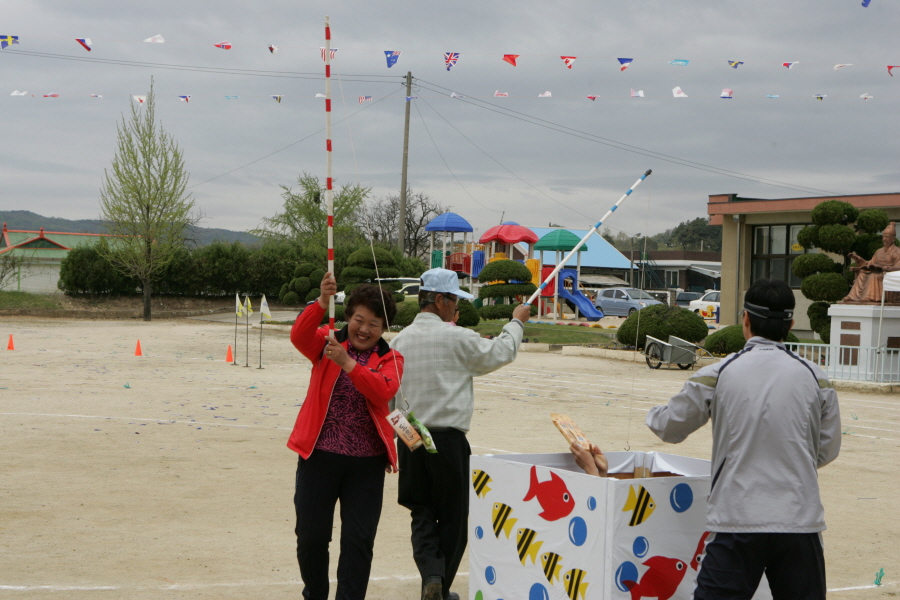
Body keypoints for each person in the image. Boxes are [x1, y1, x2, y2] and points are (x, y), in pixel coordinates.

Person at [645, 278, 841, 600]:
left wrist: (649, 413)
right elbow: (828, 447)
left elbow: (670, 427)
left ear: (745, 319)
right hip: (799, 521)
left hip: (736, 520)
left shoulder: (719, 372)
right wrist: (792, 459)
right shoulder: (816, 376)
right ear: (790, 324)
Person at [390, 268, 531, 600]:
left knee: (421, 510)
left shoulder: (398, 342)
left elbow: (390, 402)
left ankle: (432, 576)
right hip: (448, 440)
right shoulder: (458, 337)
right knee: (455, 515)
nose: (458, 308)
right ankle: (441, 584)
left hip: (411, 436)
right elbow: (501, 352)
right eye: (455, 301)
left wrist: (406, 437)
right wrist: (517, 322)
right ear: (439, 300)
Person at [287, 273, 404, 600]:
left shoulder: (392, 358)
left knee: (358, 542)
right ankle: (315, 594)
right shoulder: (327, 341)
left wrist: (349, 364)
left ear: (384, 329)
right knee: (310, 537)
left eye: (374, 324)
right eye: (359, 319)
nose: (364, 329)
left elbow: (384, 391)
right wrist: (322, 302)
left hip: (366, 466)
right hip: (318, 458)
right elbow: (298, 336)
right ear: (349, 317)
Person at [843, 221, 900, 303]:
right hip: (876, 270)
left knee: (874, 275)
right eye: (883, 237)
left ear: (893, 238)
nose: (884, 239)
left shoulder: (897, 252)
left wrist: (886, 268)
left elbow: (898, 266)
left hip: (887, 273)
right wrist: (858, 259)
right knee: (862, 273)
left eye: (887, 237)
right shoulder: (879, 251)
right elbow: (869, 264)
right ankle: (852, 296)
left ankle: (871, 297)